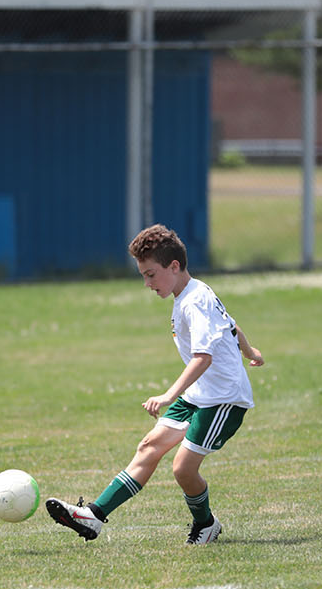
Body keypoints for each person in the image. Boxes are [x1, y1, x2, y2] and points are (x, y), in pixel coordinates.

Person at [46, 224, 264, 546]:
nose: (147, 284)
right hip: (200, 394)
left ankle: (206, 524)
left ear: (173, 266)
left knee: (182, 470)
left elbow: (203, 357)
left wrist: (167, 395)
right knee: (149, 447)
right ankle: (93, 516)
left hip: (223, 399)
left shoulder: (193, 302)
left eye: (151, 274)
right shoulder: (191, 293)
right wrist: (250, 350)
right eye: (143, 276)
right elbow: (231, 325)